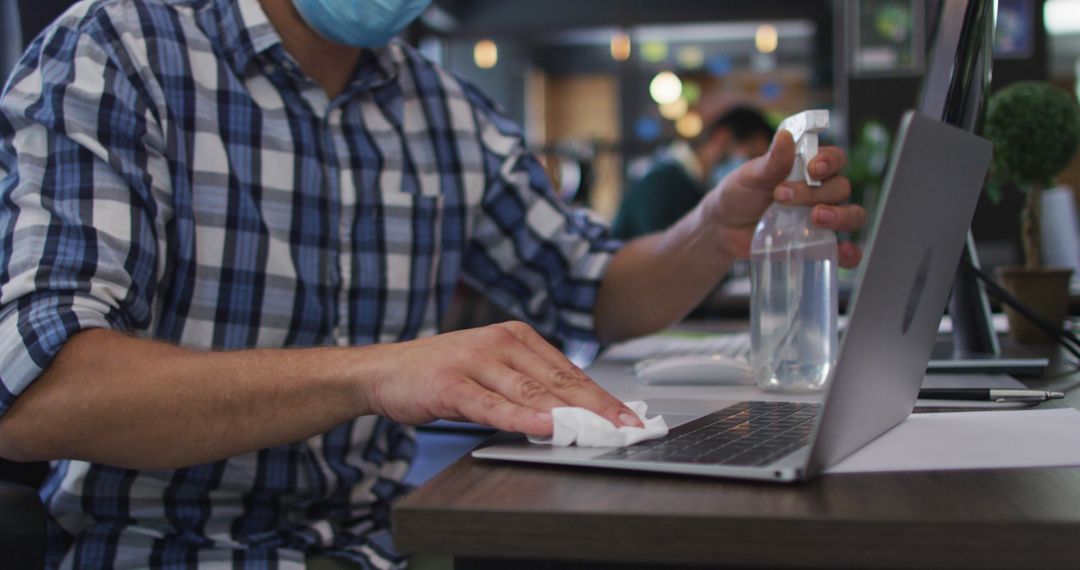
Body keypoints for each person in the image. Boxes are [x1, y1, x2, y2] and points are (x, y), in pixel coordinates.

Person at [0, 0, 865, 567]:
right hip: (168, 550)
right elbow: (38, 397)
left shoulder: (441, 107)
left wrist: (710, 232)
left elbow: (593, 287)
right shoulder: (117, 53)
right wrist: (375, 371)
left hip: (387, 547)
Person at [612, 105, 775, 240]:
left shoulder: (697, 185)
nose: (751, 169)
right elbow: (657, 253)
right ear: (722, 138)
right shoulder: (661, 181)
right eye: (751, 157)